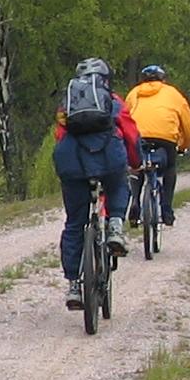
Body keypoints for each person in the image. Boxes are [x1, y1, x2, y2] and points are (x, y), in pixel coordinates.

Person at [51, 57, 141, 309]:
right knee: (118, 185)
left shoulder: (67, 104)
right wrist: (135, 161)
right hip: (108, 156)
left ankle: (73, 286)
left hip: (71, 161)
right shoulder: (113, 101)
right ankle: (114, 226)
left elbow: (60, 137)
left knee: (74, 223)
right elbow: (131, 135)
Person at [120, 62, 190, 228]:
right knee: (169, 167)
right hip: (166, 137)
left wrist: (125, 140)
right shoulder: (173, 93)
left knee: (137, 166)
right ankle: (166, 210)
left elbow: (124, 116)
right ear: (163, 79)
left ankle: (135, 202)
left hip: (138, 135)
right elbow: (187, 123)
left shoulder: (134, 93)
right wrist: (185, 145)